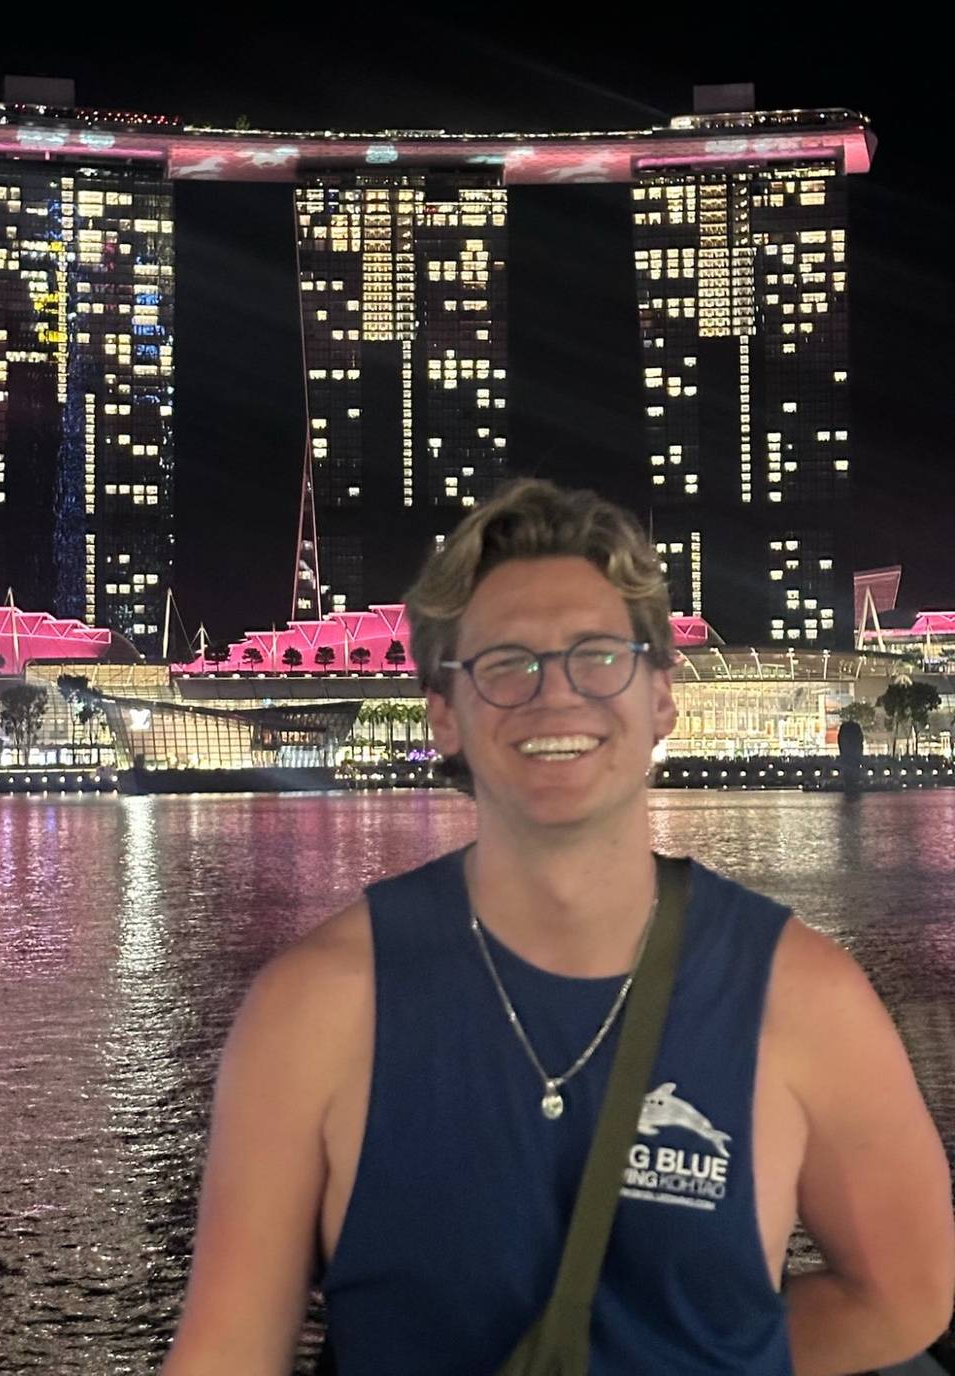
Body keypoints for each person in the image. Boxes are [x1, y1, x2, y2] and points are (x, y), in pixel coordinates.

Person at [163, 480, 954, 1375]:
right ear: (444, 715)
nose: (556, 697)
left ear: (661, 696)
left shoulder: (801, 998)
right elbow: (226, 1351)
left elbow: (905, 1294)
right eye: (505, 663)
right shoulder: (315, 1010)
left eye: (598, 656)